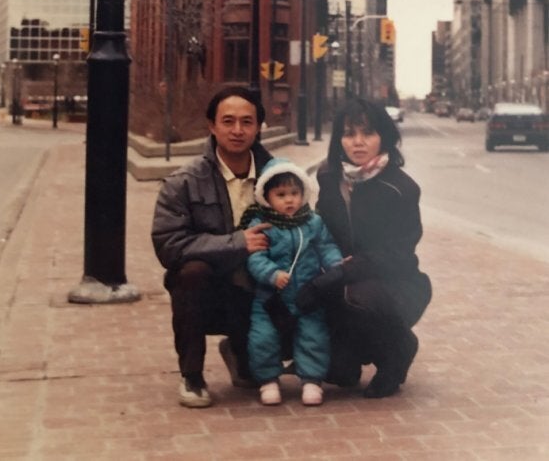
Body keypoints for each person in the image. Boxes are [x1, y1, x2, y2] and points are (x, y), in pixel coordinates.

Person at [296, 98, 432, 399]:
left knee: (357, 295)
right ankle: (347, 354)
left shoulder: (400, 188)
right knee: (340, 373)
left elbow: (397, 254)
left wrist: (338, 274)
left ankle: (397, 351)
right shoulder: (330, 176)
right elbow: (323, 228)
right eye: (349, 133)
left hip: (395, 285)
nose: (358, 142)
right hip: (341, 275)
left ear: (384, 136)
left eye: (367, 133)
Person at [151, 86, 273, 408]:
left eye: (247, 122)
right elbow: (169, 244)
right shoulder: (184, 181)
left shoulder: (279, 177)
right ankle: (192, 375)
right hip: (212, 285)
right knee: (191, 272)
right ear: (211, 125)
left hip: (261, 283)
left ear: (259, 126)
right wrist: (236, 243)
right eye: (228, 121)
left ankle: (243, 353)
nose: (237, 130)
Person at [241, 158, 344, 407]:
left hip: (307, 294)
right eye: (281, 194)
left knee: (313, 336)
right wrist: (271, 274)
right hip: (270, 297)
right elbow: (255, 257)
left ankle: (311, 380)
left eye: (295, 193)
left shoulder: (313, 222)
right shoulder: (262, 225)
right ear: (266, 197)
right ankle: (268, 380)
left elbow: (326, 246)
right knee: (263, 337)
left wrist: (336, 265)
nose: (290, 200)